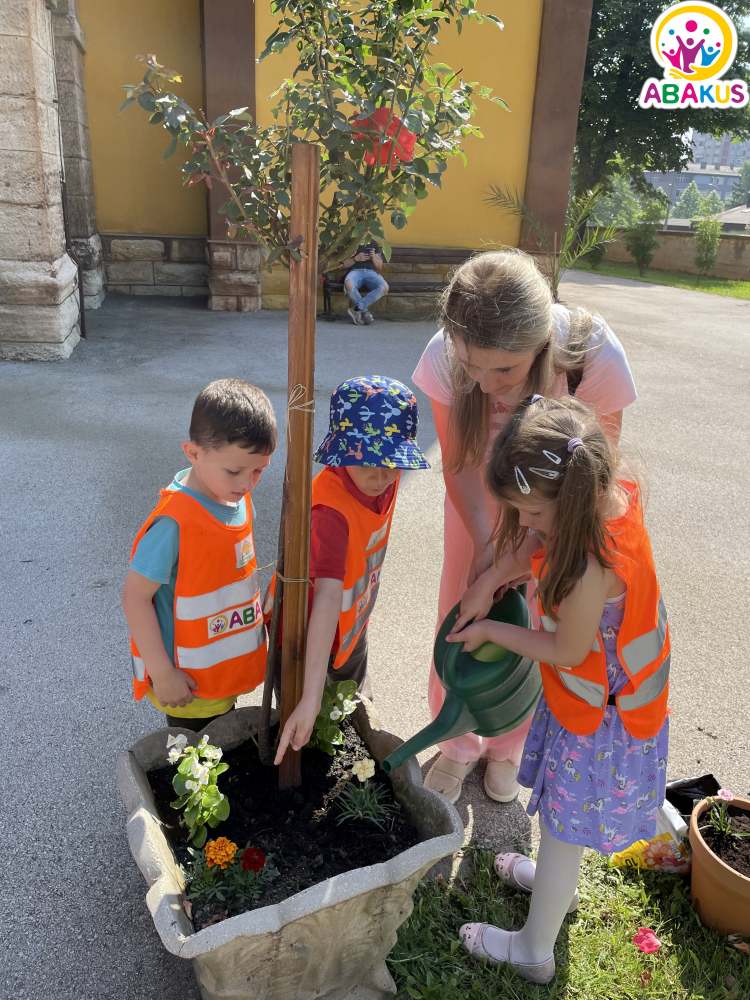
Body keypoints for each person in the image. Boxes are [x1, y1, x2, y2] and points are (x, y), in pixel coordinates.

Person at [447, 396, 670, 984]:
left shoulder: (593, 566)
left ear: (568, 504)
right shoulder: (606, 495)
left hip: (600, 724)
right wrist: (492, 580)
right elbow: (539, 546)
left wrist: (493, 630)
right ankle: (555, 886)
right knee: (561, 832)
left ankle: (533, 950)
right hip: (602, 707)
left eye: (533, 513)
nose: (527, 525)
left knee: (563, 830)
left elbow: (568, 650)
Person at [411, 249, 638, 804]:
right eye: (472, 366)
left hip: (562, 509)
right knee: (464, 605)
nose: (485, 384)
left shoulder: (594, 355)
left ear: (541, 345)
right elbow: (458, 463)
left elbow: (594, 480)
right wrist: (488, 547)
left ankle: (509, 744)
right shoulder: (444, 354)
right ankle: (457, 740)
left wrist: (528, 548)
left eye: (505, 370)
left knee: (538, 616)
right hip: (478, 502)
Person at [274, 375, 429, 764]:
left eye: (393, 463)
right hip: (310, 637)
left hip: (352, 623)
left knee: (351, 707)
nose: (382, 477)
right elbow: (327, 597)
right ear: (343, 453)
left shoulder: (384, 480)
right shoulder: (329, 512)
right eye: (369, 463)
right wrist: (311, 696)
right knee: (305, 725)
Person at [122, 378, 277, 731]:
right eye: (234, 471)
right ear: (193, 453)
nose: (247, 483)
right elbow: (134, 597)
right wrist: (163, 674)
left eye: (258, 470)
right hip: (189, 687)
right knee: (196, 756)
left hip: (223, 673)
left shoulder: (236, 499)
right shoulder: (174, 523)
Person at [341, 241, 389, 326]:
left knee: (384, 287)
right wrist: (355, 259)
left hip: (371, 272)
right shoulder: (352, 242)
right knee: (348, 284)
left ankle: (356, 309)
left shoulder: (374, 244)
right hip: (355, 271)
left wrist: (374, 257)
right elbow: (343, 265)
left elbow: (379, 266)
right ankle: (364, 311)